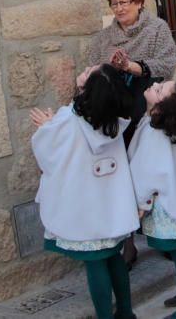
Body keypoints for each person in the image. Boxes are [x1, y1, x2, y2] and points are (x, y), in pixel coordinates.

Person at [81, 0, 176, 268]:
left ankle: (166, 236)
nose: (119, 9)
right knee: (121, 179)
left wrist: (133, 66)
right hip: (116, 117)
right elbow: (92, 73)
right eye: (114, 4)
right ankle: (127, 245)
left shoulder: (157, 29)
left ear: (138, 1)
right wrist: (106, 69)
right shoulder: (104, 38)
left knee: (155, 175)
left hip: (148, 112)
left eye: (124, 2)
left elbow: (167, 65)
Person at [30, 66, 138, 319]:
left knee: (95, 263)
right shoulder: (112, 120)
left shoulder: (69, 119)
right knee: (113, 258)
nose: (86, 68)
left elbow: (48, 156)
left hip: (85, 209)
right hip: (110, 205)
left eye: (91, 72)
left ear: (92, 88)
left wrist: (47, 126)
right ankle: (125, 312)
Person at [128, 81, 176, 319]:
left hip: (165, 205)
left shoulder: (155, 133)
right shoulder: (156, 125)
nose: (154, 84)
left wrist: (139, 203)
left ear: (163, 107)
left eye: (160, 89)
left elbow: (147, 173)